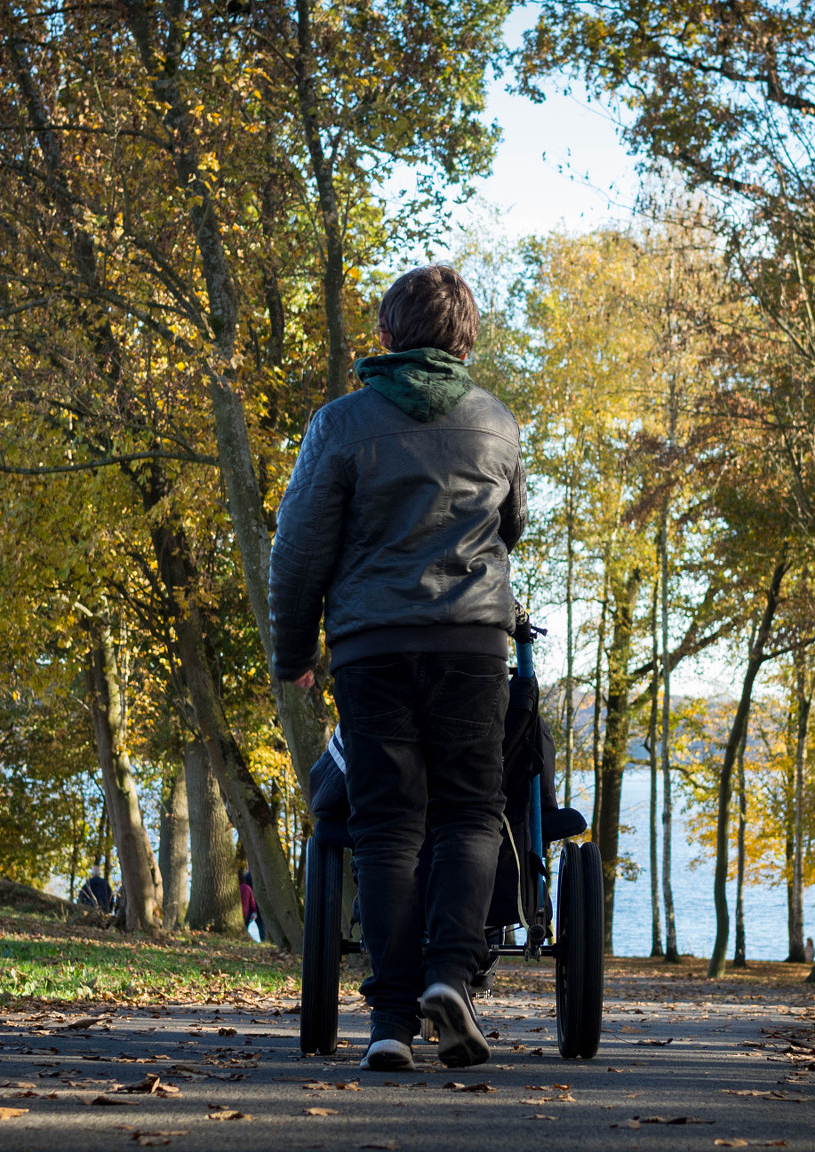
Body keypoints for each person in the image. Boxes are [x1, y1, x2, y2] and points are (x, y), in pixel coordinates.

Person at [269, 264, 525, 1072]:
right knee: (471, 814)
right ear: (466, 339)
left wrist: (294, 651)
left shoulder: (340, 425)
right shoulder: (496, 423)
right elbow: (511, 525)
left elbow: (300, 547)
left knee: (386, 826)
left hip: (372, 645)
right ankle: (451, 977)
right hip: (472, 643)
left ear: (385, 335)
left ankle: (388, 1024)